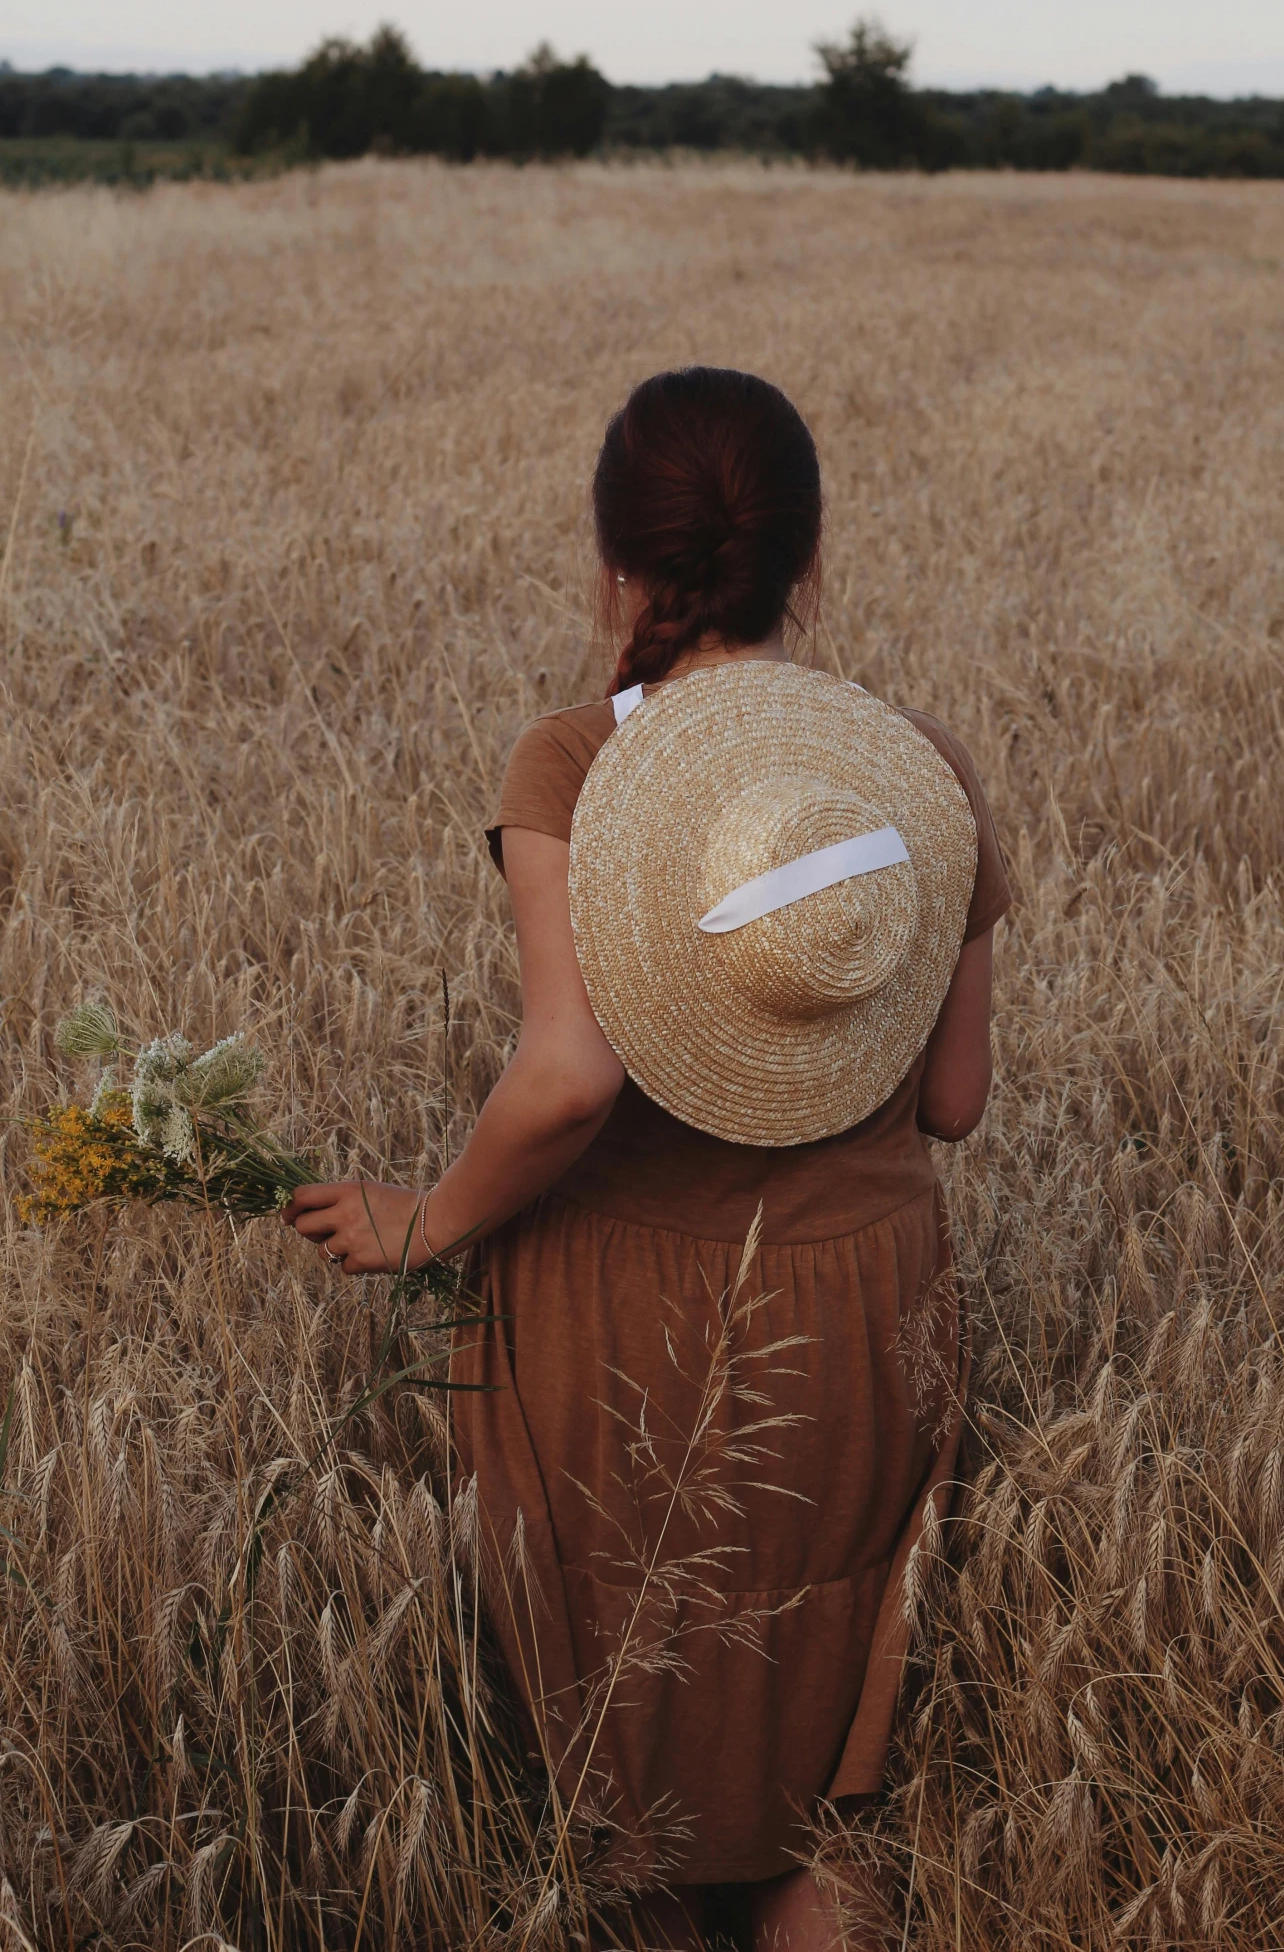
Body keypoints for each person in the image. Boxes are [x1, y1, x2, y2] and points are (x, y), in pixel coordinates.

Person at [283, 368, 1009, 1950]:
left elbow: (567, 1078)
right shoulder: (916, 775)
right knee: (836, 1778)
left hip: (628, 1323)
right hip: (868, 1313)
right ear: (803, 562)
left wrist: (427, 1222)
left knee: (635, 1788)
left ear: (616, 560)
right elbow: (952, 1102)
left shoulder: (574, 766)